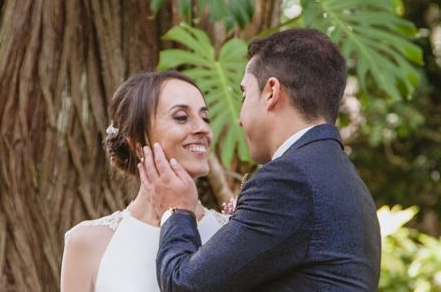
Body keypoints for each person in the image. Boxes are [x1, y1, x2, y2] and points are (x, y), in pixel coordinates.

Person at [138, 28, 382, 291]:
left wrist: (176, 210)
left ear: (271, 92)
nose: (239, 119)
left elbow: (183, 284)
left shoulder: (290, 180)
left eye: (244, 95)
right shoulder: (348, 180)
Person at [60, 71, 230, 292]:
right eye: (181, 117)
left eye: (205, 117)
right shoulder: (87, 242)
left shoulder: (232, 233)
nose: (203, 129)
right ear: (138, 143)